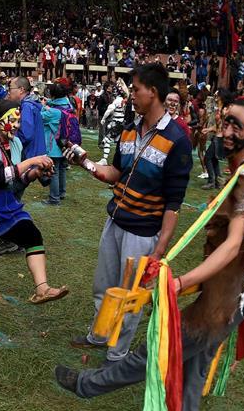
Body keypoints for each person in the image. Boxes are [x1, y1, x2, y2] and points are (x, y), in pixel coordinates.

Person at [56, 95, 244, 411]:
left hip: (225, 299)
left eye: (237, 125)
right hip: (235, 295)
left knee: (157, 348)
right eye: (226, 120)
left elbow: (234, 244)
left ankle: (87, 385)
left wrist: (181, 282)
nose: (227, 130)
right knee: (196, 363)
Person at [66, 63, 193, 364]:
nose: (131, 95)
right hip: (115, 221)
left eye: (136, 89)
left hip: (143, 232)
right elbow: (115, 173)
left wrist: (161, 247)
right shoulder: (129, 129)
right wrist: (86, 163)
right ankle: (99, 334)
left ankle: (117, 352)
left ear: (154, 92)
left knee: (129, 295)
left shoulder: (177, 140)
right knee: (105, 284)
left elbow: (174, 202)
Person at [0, 101, 69, 303]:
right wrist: (32, 161)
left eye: (18, 121)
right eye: (12, 120)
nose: (16, 126)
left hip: (6, 201)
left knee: (32, 236)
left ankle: (42, 289)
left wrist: (36, 173)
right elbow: (0, 176)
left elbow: (19, 178)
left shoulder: (15, 143)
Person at [42, 81, 75, 205]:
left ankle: (54, 198)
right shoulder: (68, 106)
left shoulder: (53, 112)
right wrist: (49, 103)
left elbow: (40, 117)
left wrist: (43, 105)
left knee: (53, 172)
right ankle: (61, 193)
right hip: (65, 145)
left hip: (54, 146)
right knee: (61, 169)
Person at [97, 84, 126, 164]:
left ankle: (104, 160)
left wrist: (103, 118)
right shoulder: (124, 100)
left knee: (106, 141)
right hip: (120, 124)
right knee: (119, 143)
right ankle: (120, 162)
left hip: (117, 125)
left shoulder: (117, 100)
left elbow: (110, 109)